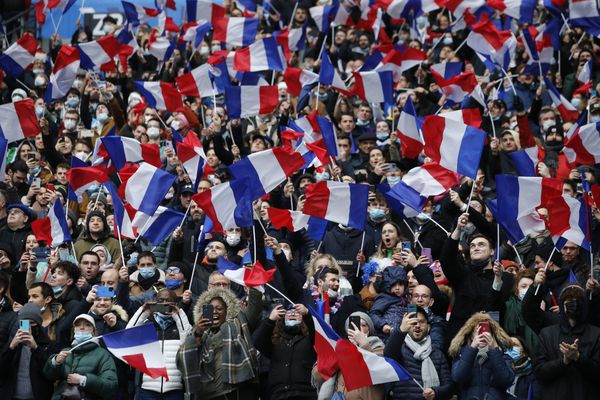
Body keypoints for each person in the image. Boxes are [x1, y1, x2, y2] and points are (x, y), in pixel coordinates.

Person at [177, 287, 263, 400]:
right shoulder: (199, 333)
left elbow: (255, 307)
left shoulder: (239, 325)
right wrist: (197, 333)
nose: (214, 312)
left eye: (219, 309)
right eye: (210, 309)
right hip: (207, 395)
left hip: (237, 391)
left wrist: (254, 284)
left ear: (227, 312)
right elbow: (182, 359)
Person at [533, 284, 600, 399]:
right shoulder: (547, 334)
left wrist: (578, 358)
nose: (573, 305)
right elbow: (539, 372)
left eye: (577, 302)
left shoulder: (596, 334)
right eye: (569, 302)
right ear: (562, 305)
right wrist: (563, 361)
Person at [127, 289, 192, 400]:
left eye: (168, 300)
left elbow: (188, 343)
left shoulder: (181, 323)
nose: (163, 303)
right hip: (147, 389)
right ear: (155, 302)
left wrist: (178, 314)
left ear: (176, 302)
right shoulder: (147, 323)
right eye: (160, 300)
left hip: (174, 390)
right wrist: (144, 311)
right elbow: (127, 337)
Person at [43, 314, 118, 400]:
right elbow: (49, 377)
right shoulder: (66, 351)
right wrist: (55, 362)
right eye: (78, 325)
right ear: (74, 330)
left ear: (93, 332)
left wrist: (84, 380)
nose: (82, 327)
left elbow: (111, 386)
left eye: (87, 325)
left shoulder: (103, 355)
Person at [385, 307, 454, 400]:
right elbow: (388, 355)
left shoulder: (437, 354)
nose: (417, 325)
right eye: (413, 322)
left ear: (428, 327)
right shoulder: (399, 348)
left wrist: (436, 392)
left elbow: (449, 387)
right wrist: (401, 330)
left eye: (421, 322)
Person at [314, 312, 385, 400]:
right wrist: (328, 356)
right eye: (353, 325)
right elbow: (317, 376)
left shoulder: (377, 345)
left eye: (363, 325)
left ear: (369, 329)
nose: (358, 329)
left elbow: (378, 370)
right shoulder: (339, 347)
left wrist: (364, 344)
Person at [252, 302, 316, 400]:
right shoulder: (275, 341)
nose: (292, 314)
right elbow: (257, 341)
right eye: (289, 312)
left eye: (296, 312)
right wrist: (270, 320)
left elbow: (317, 332)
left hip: (305, 394)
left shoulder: (309, 339)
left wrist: (307, 314)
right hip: (279, 394)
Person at [449, 313, 515, 400]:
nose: (482, 334)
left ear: (492, 334)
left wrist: (494, 350)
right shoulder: (462, 355)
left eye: (486, 331)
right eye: (477, 331)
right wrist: (472, 348)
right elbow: (458, 378)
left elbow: (506, 381)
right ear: (470, 335)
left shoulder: (502, 356)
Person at [0, 303, 54, 400]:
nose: (28, 327)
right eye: (24, 323)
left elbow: (50, 373)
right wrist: (11, 347)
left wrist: (35, 348)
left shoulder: (46, 344)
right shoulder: (11, 342)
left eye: (32, 323)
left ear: (38, 325)